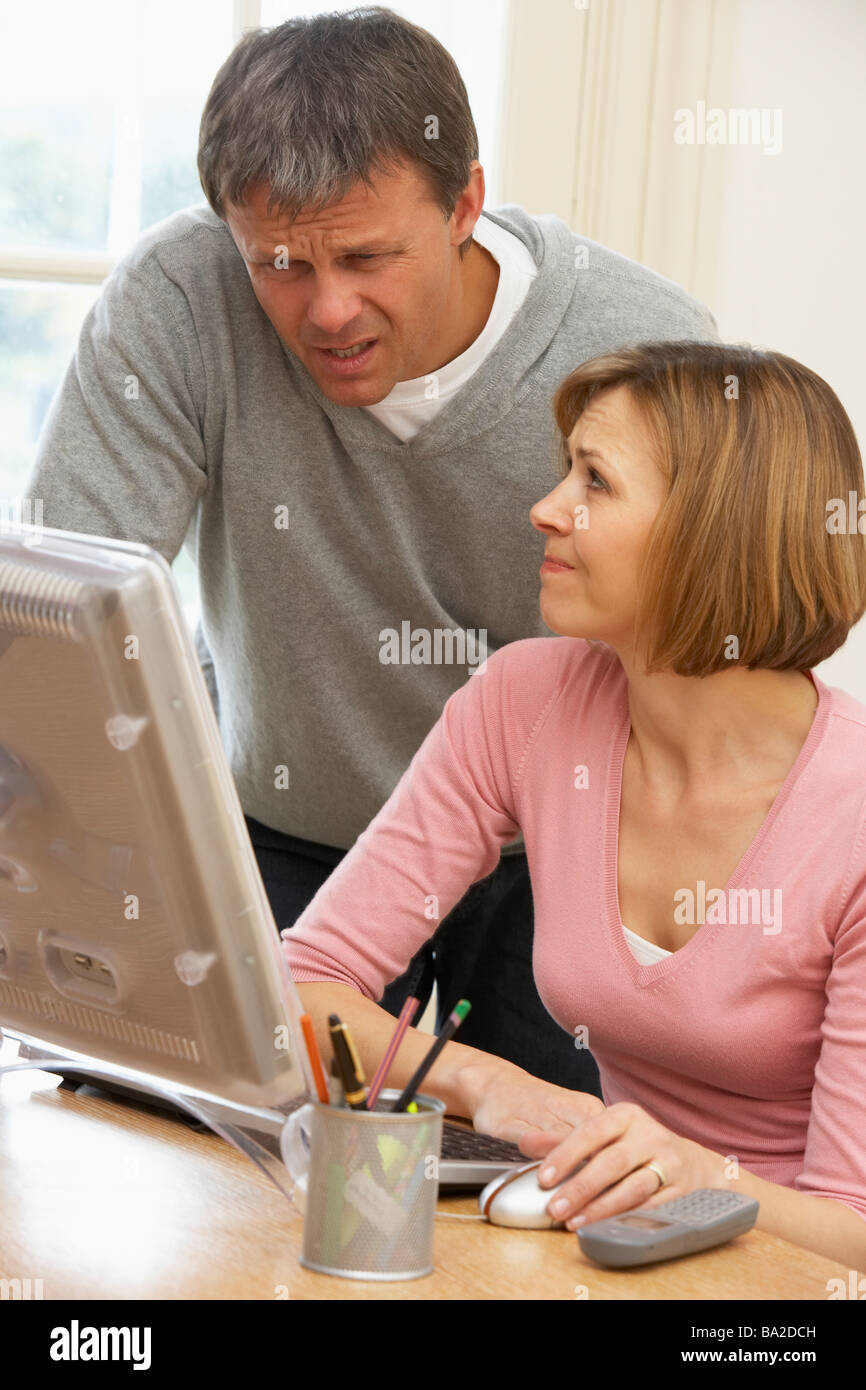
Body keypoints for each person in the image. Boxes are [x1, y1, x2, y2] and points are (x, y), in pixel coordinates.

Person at [23, 7, 718, 1092]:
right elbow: (63, 614)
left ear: (465, 205)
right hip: (280, 821)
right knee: (187, 1122)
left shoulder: (647, 348)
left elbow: (705, 658)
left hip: (558, 851)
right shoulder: (179, 300)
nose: (328, 309)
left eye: (366, 256)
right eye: (280, 263)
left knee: (563, 1160)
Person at [283, 340, 866, 1268]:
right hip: (609, 1248)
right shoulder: (525, 702)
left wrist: (695, 1174)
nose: (546, 508)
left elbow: (855, 1231)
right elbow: (300, 983)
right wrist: (484, 1083)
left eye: (596, 481)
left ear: (715, 530)